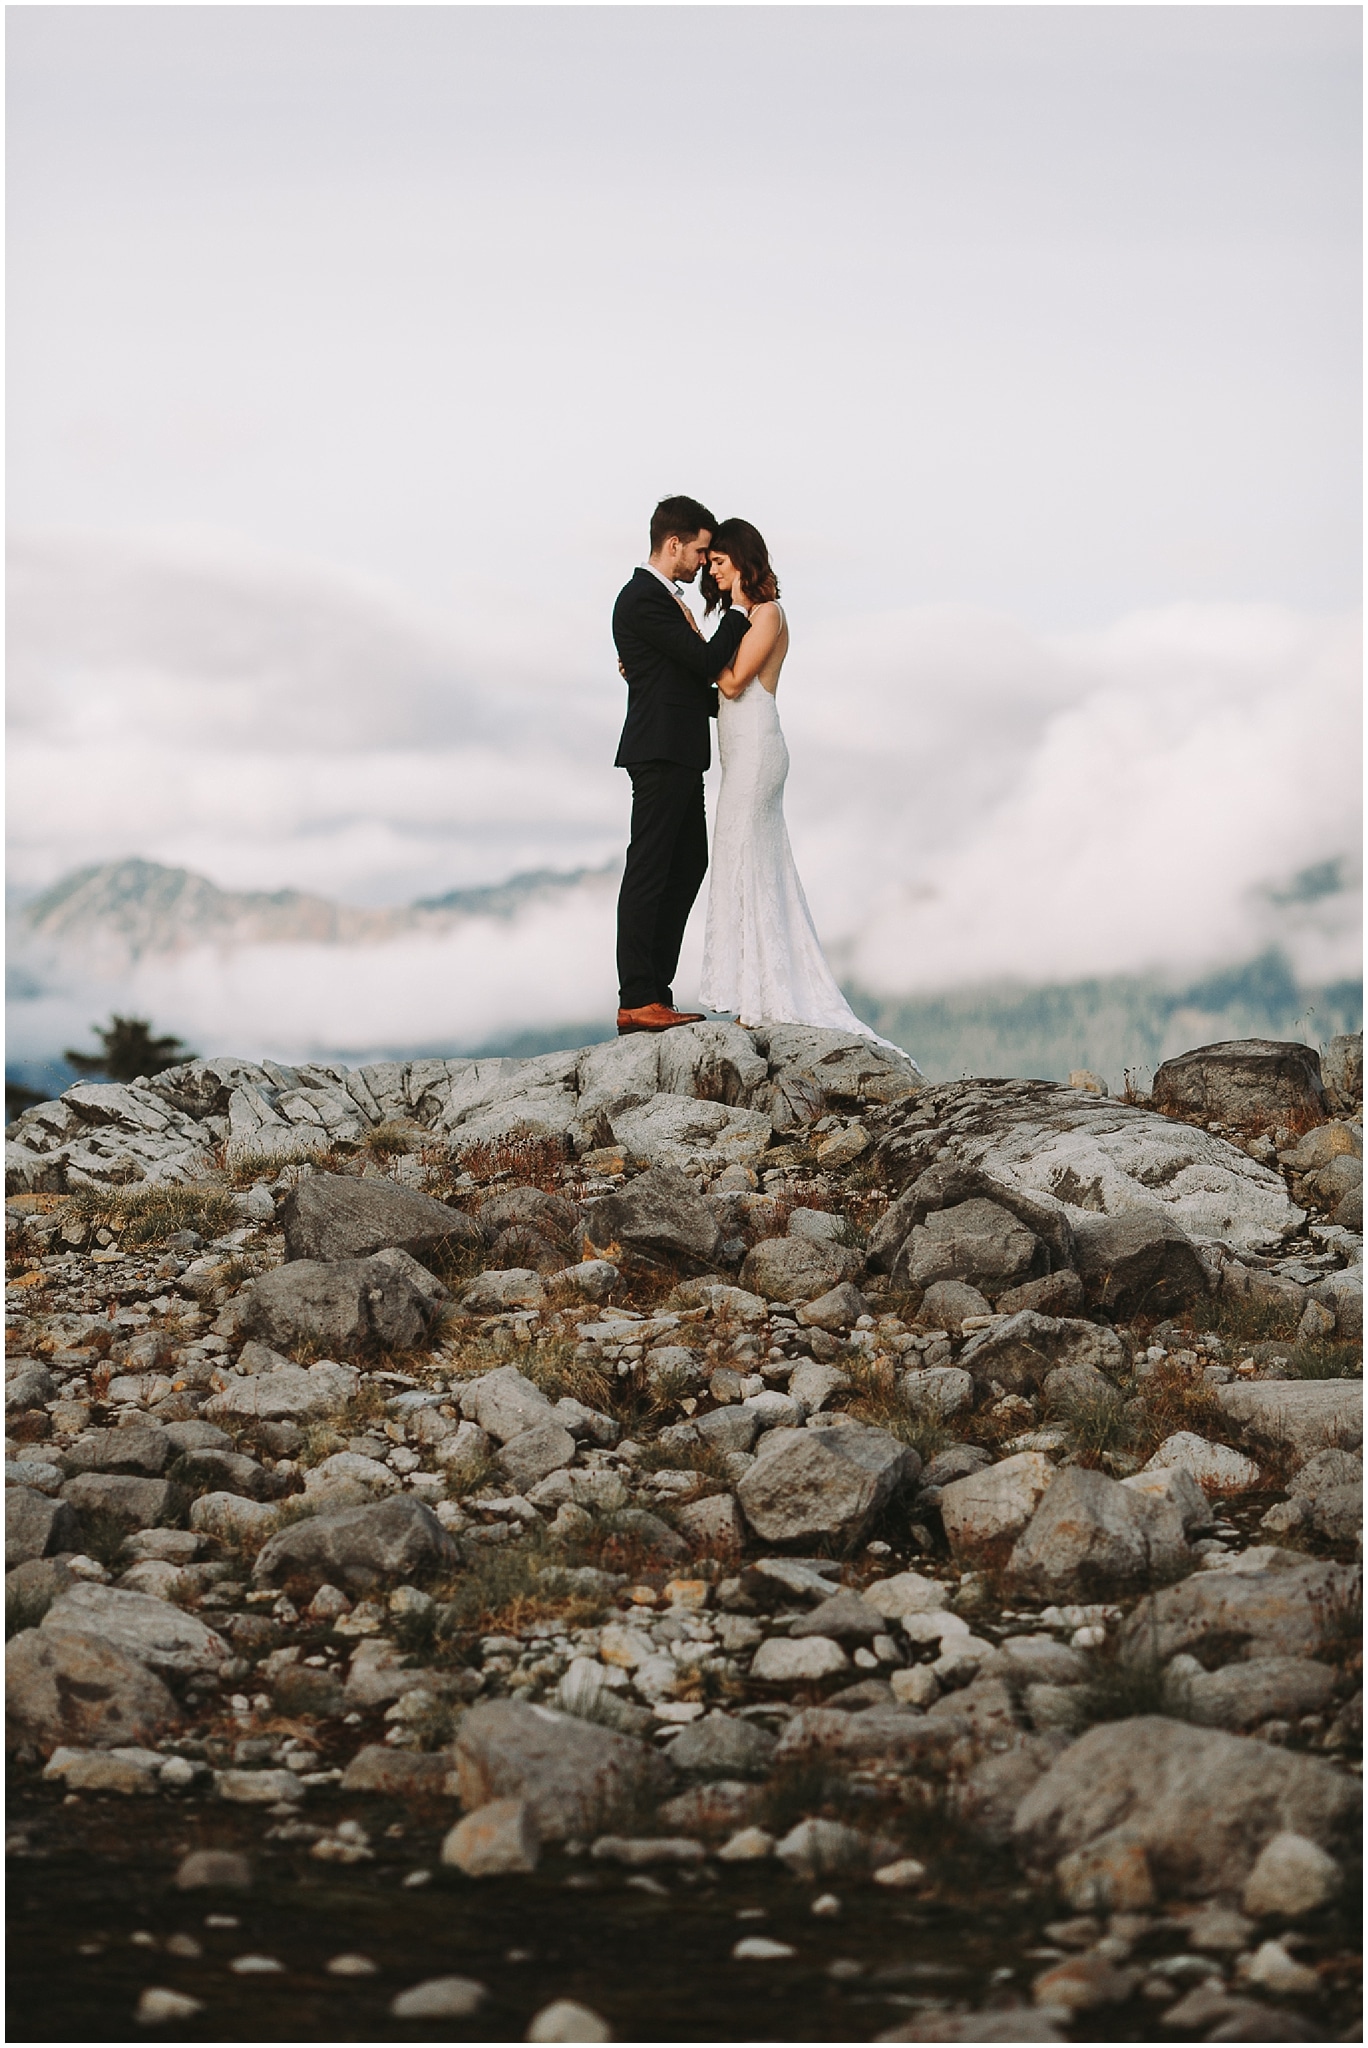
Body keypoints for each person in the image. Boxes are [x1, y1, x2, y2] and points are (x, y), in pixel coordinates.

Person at [699, 516, 913, 1056]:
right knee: (737, 855)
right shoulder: (739, 615)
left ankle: (769, 994)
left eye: (720, 562)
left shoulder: (765, 614)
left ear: (742, 560)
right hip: (738, 751)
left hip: (758, 749)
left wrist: (715, 632)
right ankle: (754, 988)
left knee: (751, 854)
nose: (713, 571)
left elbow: (731, 680)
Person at [611, 495, 751, 1035]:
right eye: (699, 551)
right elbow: (703, 663)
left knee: (687, 863)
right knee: (649, 870)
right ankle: (637, 998)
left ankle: (655, 992)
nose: (702, 563)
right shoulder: (643, 597)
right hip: (659, 750)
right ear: (673, 544)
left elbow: (687, 678)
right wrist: (740, 610)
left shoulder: (661, 600)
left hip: (679, 752)